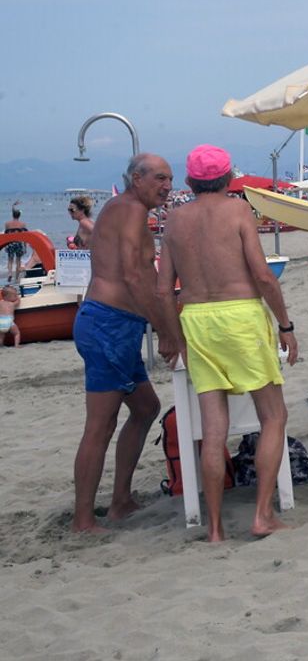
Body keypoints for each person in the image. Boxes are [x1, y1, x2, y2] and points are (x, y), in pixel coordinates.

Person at [155, 145, 297, 541]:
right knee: (273, 416)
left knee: (213, 431)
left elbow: (163, 291)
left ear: (188, 181)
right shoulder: (238, 211)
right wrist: (285, 325)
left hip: (197, 320)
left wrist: (174, 335)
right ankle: (262, 516)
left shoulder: (174, 220)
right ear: (231, 177)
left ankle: (215, 529)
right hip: (241, 318)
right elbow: (264, 276)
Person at [70, 153, 174, 534]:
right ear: (136, 178)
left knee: (146, 408)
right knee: (100, 424)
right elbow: (133, 275)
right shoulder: (129, 210)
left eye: (170, 178)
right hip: (107, 325)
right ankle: (83, 520)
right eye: (160, 178)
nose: (167, 185)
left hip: (119, 325)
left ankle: (121, 501)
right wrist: (165, 330)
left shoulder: (125, 209)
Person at [4, 205, 27, 281]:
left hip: (10, 243)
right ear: (19, 216)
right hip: (18, 243)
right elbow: (25, 236)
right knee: (18, 261)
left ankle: (10, 273)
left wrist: (5, 245)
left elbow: (6, 234)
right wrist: (25, 246)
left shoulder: (7, 224)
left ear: (12, 215)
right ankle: (16, 278)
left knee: (10, 260)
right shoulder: (22, 224)